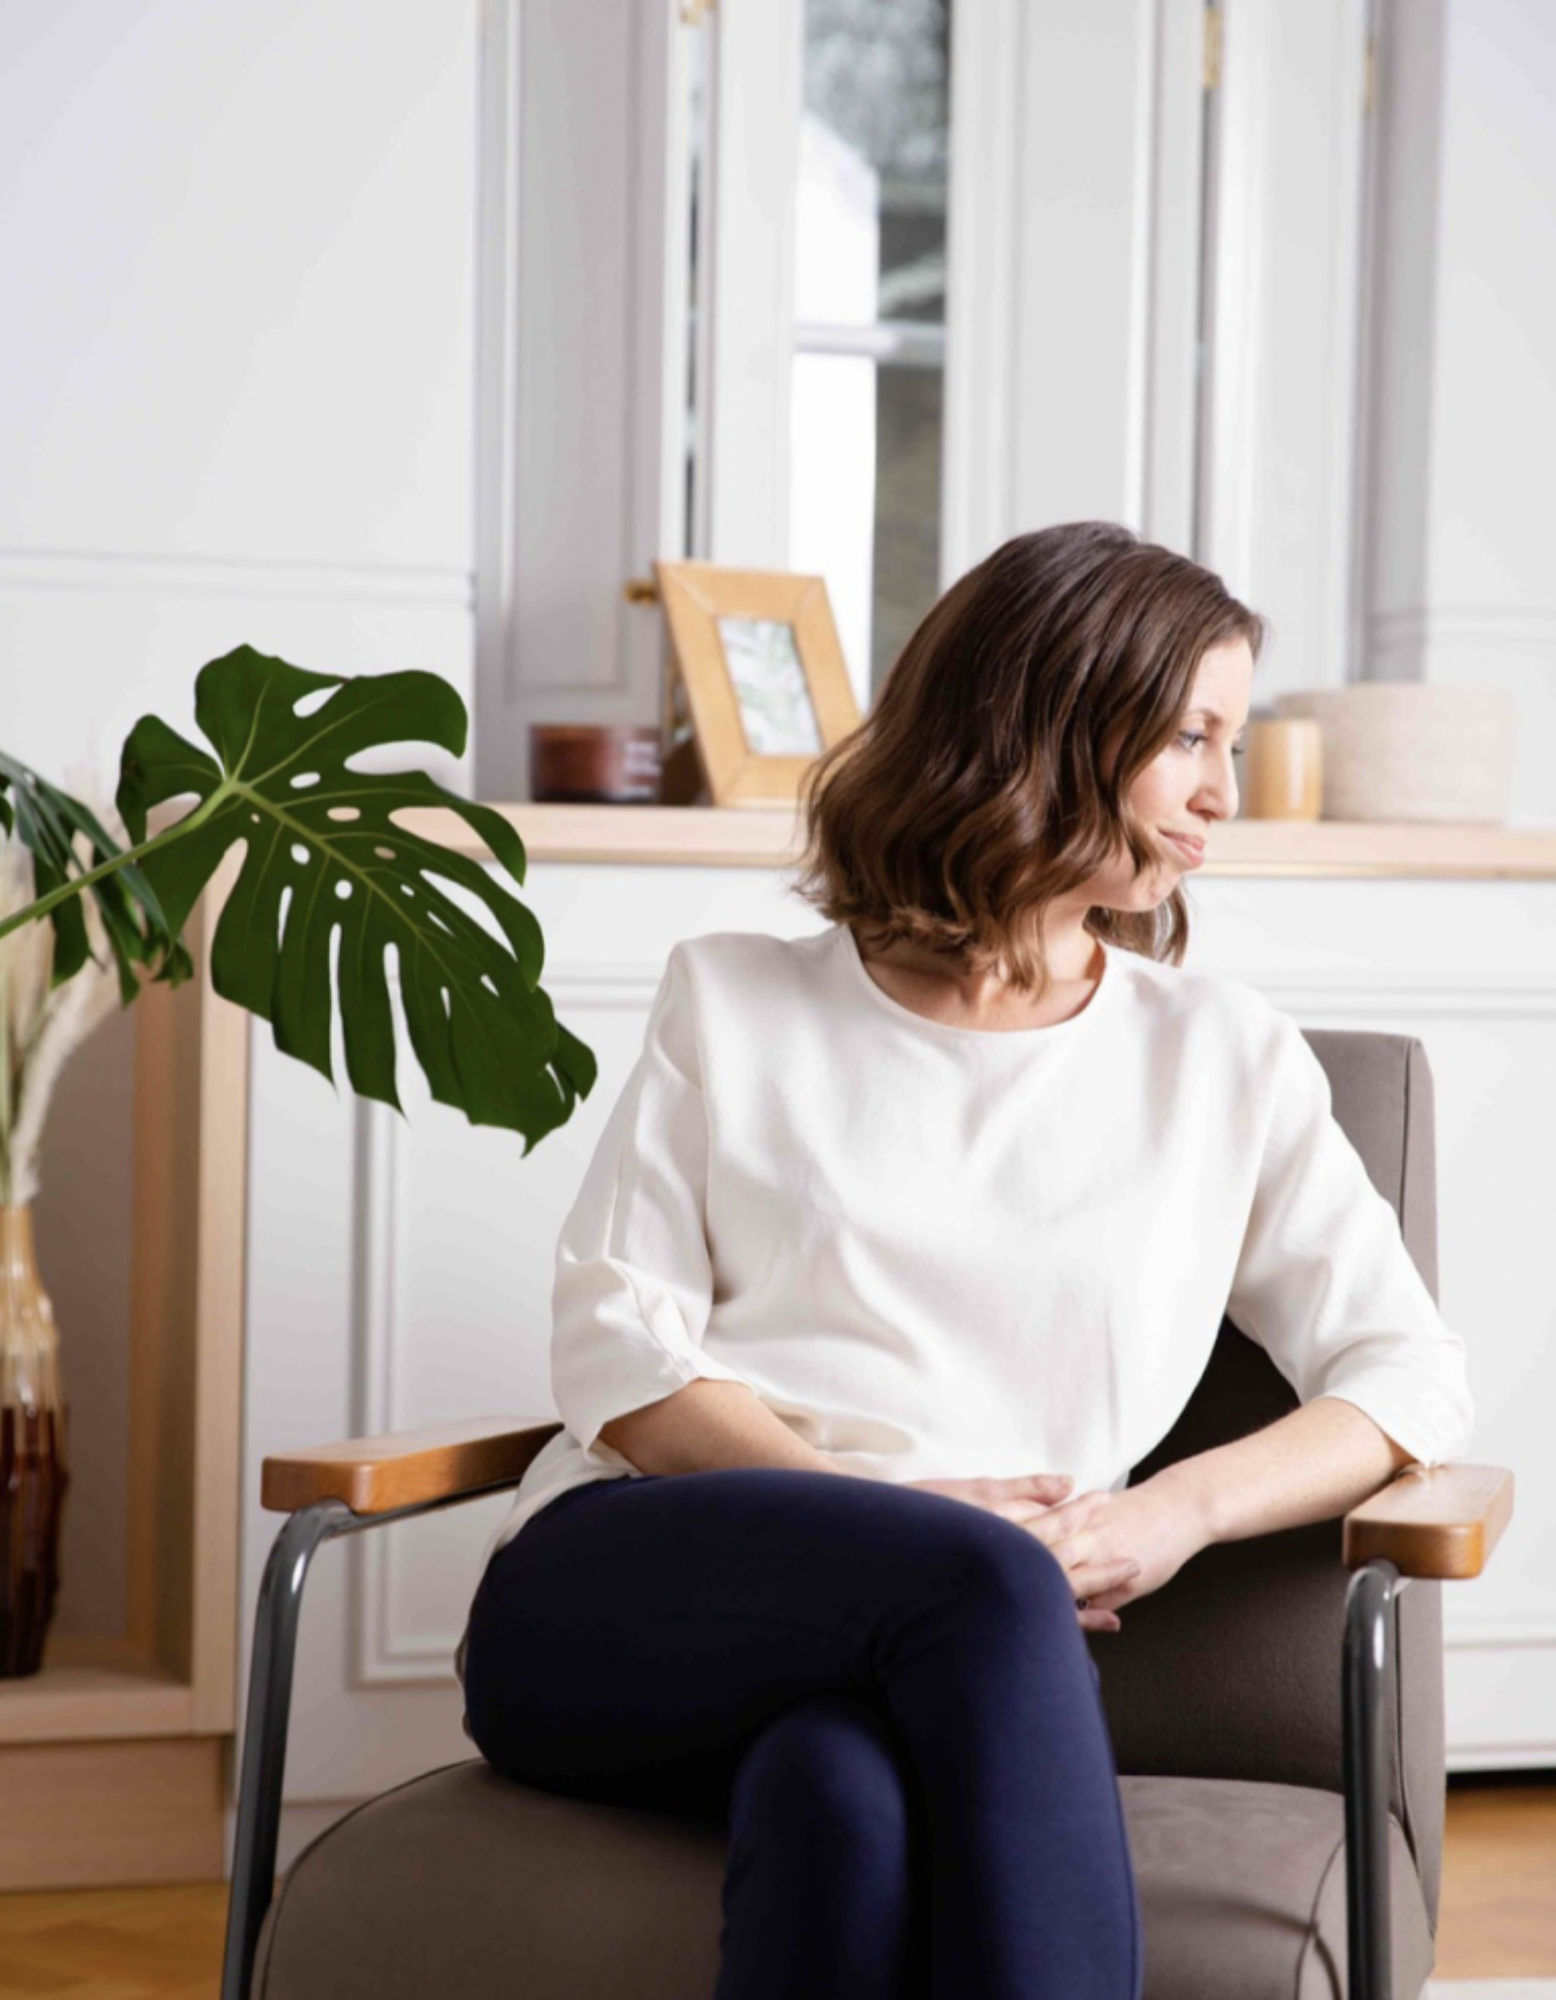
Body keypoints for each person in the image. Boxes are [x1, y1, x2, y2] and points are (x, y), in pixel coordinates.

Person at [456, 521, 1473, 2000]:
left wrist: (1166, 1520)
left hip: (928, 1664)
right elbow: (621, 1353)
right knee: (979, 1584)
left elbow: (1408, 1374)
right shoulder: (736, 1003)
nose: (1219, 794)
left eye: (1232, 743)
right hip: (635, 1596)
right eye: (1191, 734)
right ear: (1049, 719)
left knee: (839, 1805)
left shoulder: (1220, 1061)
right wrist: (902, 1528)